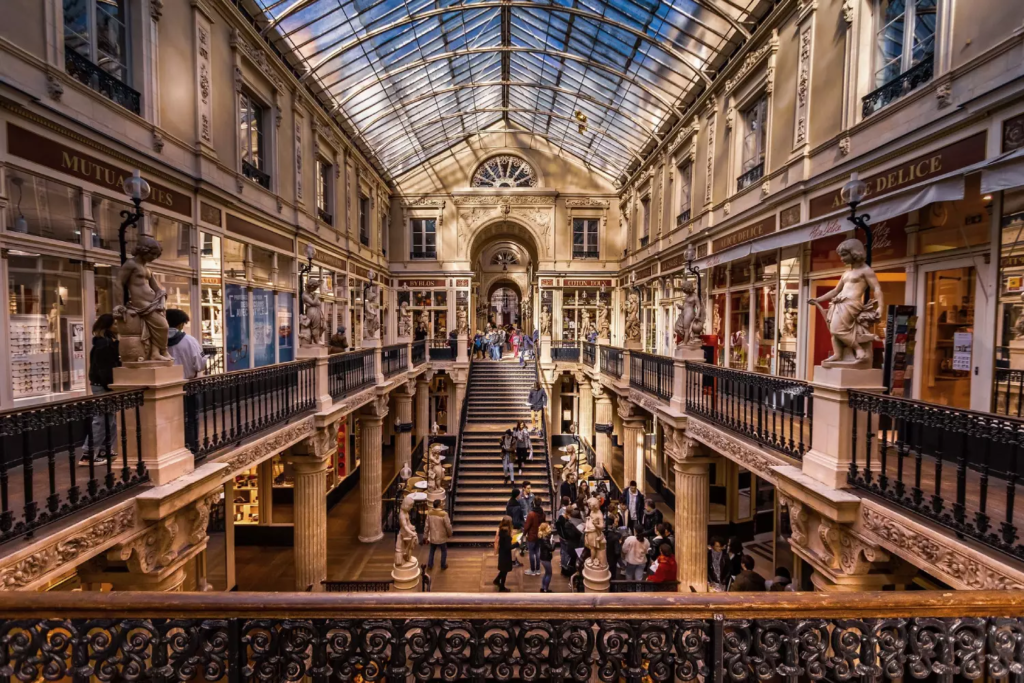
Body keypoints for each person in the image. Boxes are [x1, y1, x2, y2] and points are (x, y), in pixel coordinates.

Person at [83, 314, 120, 465]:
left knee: (110, 419)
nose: (118, 326)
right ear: (108, 326)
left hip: (104, 384)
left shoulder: (108, 342)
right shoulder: (103, 344)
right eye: (115, 323)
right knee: (102, 419)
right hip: (103, 386)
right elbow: (105, 367)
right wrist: (109, 384)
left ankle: (105, 449)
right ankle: (88, 454)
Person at [166, 308, 207, 379]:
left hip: (164, 386)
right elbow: (200, 364)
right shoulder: (190, 341)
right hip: (187, 385)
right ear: (181, 324)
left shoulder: (154, 341)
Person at [425, 499, 453, 570]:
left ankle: (430, 564)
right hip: (441, 537)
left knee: (432, 551)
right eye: (442, 503)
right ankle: (443, 565)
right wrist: (450, 533)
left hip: (433, 536)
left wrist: (425, 536)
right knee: (444, 551)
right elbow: (448, 526)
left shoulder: (430, 513)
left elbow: (426, 526)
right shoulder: (444, 514)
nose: (443, 504)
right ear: (439, 505)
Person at [556, 505, 582, 576]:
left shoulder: (563, 518)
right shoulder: (567, 521)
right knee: (566, 554)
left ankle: (564, 567)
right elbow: (567, 531)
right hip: (565, 539)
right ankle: (565, 569)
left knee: (564, 553)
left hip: (563, 538)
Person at [523, 500, 545, 576]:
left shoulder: (531, 514)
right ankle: (538, 569)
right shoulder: (543, 513)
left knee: (532, 553)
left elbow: (527, 526)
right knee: (538, 552)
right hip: (539, 535)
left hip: (532, 535)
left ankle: (532, 569)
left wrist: (524, 534)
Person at [493, 516, 514, 592]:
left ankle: (497, 580)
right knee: (505, 570)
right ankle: (502, 587)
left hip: (502, 552)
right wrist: (517, 544)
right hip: (506, 554)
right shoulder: (506, 534)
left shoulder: (501, 531)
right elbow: (508, 547)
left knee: (503, 569)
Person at [538, 523, 556, 592]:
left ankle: (543, 587)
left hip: (543, 557)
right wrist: (553, 542)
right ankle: (546, 589)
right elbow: (551, 548)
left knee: (546, 573)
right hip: (545, 558)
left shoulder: (542, 537)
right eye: (548, 527)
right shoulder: (545, 539)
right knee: (549, 573)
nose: (550, 529)